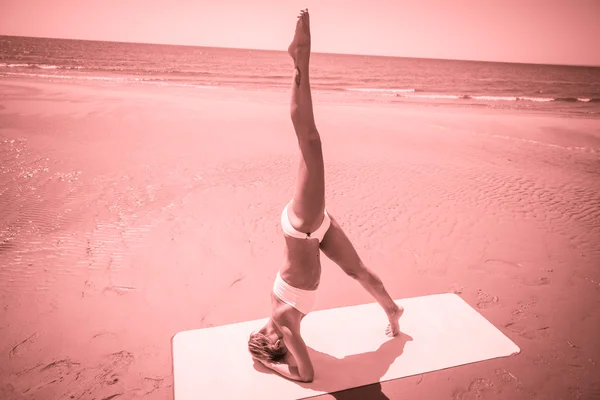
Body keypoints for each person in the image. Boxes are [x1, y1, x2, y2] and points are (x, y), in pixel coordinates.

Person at [247, 9, 403, 383]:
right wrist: (276, 361)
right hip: (317, 235)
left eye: (262, 336)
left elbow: (306, 376)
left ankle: (300, 58)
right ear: (276, 344)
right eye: (266, 339)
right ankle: (393, 311)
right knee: (359, 272)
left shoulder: (283, 322)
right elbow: (304, 371)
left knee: (311, 142)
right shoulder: (285, 326)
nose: (265, 331)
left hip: (302, 228)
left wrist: (272, 364)